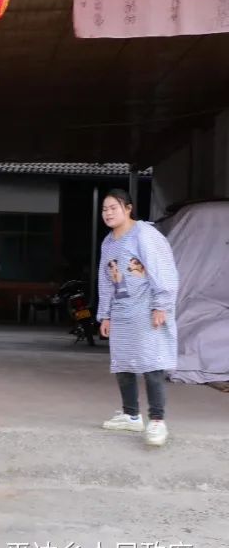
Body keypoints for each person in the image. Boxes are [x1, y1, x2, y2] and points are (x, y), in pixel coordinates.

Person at [96, 189, 179, 446]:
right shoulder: (108, 242)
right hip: (122, 312)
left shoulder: (145, 234)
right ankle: (131, 415)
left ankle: (157, 420)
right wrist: (105, 315)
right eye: (104, 209)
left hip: (147, 308)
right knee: (123, 364)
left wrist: (161, 305)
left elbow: (162, 269)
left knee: (151, 364)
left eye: (113, 207)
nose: (108, 213)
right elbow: (105, 280)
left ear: (128, 208)